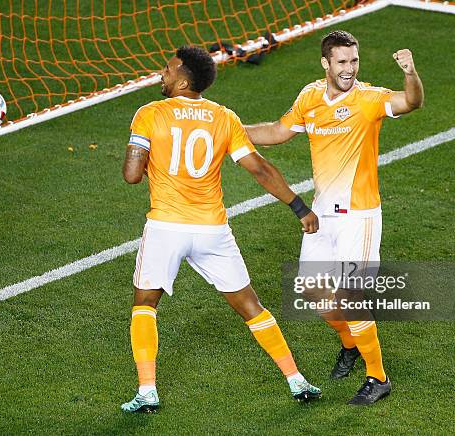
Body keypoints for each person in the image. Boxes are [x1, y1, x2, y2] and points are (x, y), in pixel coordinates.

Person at [121, 45, 322, 413]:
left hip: (167, 226)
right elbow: (260, 168)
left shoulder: (148, 114)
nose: (162, 74)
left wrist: (144, 156)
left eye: (168, 68)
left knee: (145, 303)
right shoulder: (224, 117)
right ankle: (296, 380)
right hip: (213, 229)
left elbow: (132, 176)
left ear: (183, 79)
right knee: (251, 306)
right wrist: (298, 206)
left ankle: (147, 390)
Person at [245, 30, 424, 405]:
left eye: (354, 61)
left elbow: (411, 102)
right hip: (323, 215)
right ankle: (351, 344)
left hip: (359, 217)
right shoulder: (310, 97)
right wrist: (231, 131)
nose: (350, 69)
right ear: (326, 63)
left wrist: (410, 72)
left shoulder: (369, 99)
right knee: (312, 292)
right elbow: (278, 132)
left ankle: (379, 377)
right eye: (342, 62)